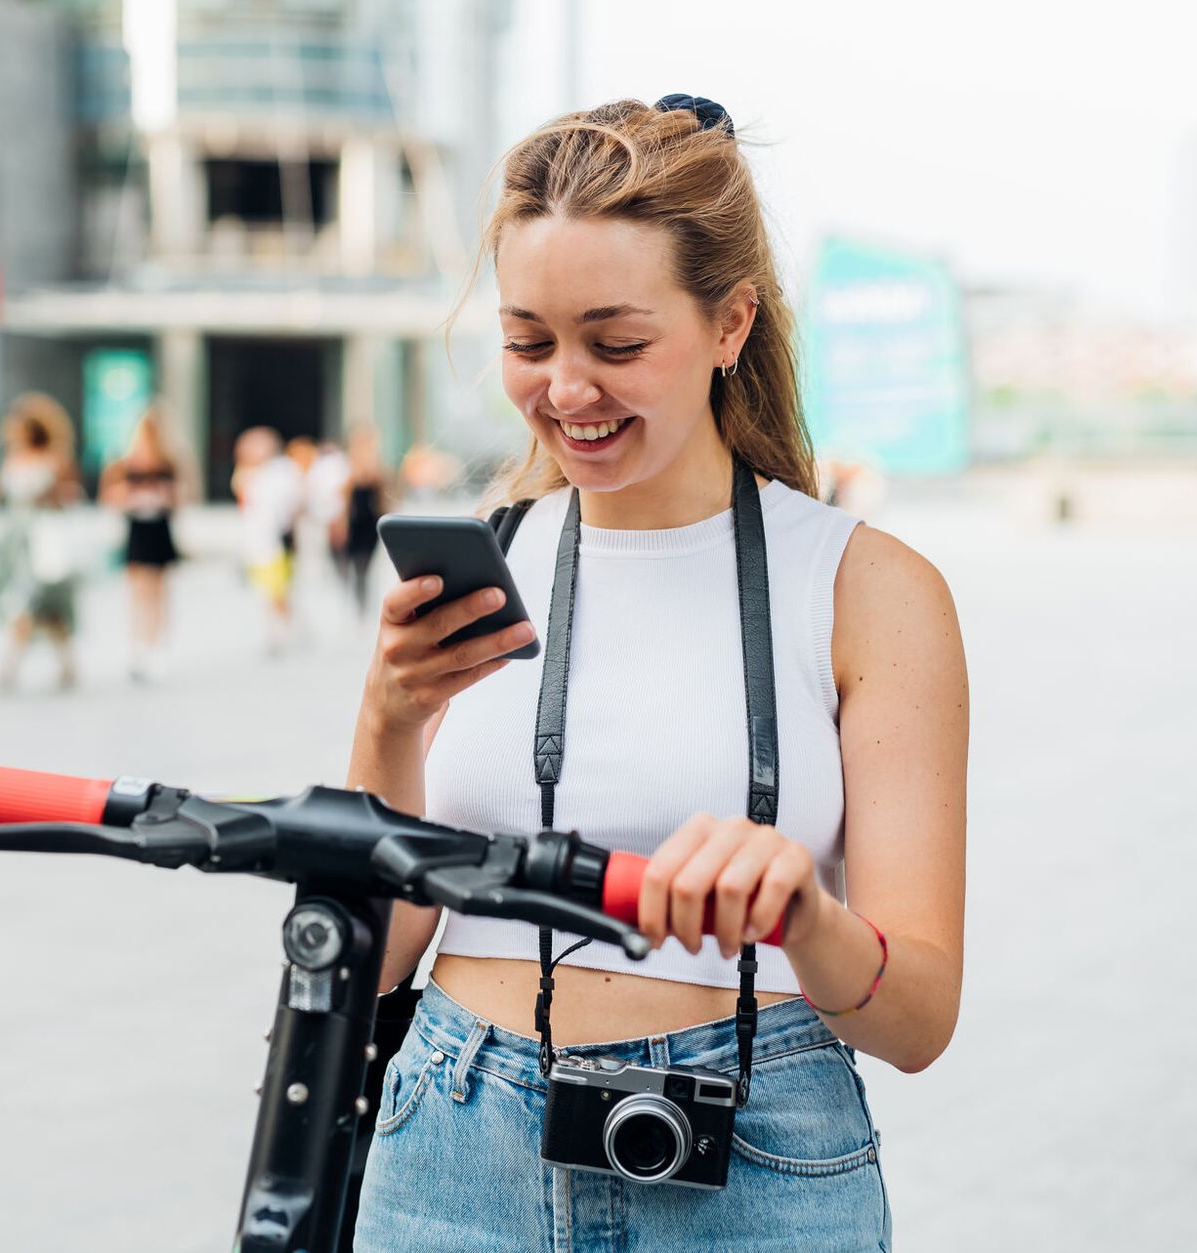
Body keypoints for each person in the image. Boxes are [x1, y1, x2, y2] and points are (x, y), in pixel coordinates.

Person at [347, 98, 968, 1250]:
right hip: (451, 1142)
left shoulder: (865, 587)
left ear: (729, 323)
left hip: (757, 1150)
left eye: (615, 343)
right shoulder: (490, 558)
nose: (565, 389)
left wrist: (803, 912)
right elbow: (367, 962)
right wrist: (388, 722)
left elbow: (918, 1014)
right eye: (527, 341)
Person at [0, 394, 85, 692]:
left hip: (42, 539)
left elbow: (70, 497)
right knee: (29, 604)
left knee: (37, 604)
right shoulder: (11, 458)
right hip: (12, 542)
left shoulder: (57, 459)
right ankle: (64, 663)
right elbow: (3, 497)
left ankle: (10, 667)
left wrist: (48, 495)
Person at [100, 405, 194, 682]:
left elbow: (184, 495)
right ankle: (139, 645)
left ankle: (156, 645)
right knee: (138, 588)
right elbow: (110, 496)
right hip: (137, 526)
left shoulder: (171, 460)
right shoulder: (124, 461)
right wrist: (132, 497)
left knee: (158, 589)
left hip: (159, 526)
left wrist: (165, 497)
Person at [232, 426, 303, 654]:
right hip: (256, 540)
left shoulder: (282, 471)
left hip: (277, 539)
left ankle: (284, 628)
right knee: (266, 588)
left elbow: (291, 503)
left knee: (278, 588)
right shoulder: (247, 473)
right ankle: (278, 627)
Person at [338, 423, 389, 615]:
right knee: (349, 566)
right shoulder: (347, 466)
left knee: (363, 568)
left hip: (371, 523)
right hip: (354, 523)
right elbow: (344, 501)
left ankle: (362, 606)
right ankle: (353, 605)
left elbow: (384, 498)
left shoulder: (378, 467)